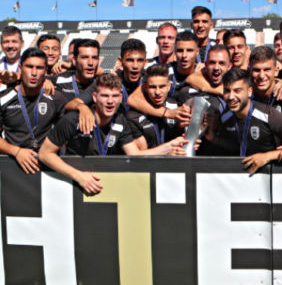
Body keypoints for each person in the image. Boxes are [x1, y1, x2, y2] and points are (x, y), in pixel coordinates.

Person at [39, 73, 188, 194]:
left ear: (121, 98)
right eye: (105, 96)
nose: (110, 101)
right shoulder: (73, 120)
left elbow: (134, 154)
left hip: (102, 185)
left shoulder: (120, 120)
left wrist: (168, 147)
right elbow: (45, 154)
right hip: (74, 185)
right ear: (95, 97)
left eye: (115, 96)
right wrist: (78, 176)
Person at [203, 68, 282, 173]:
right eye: (227, 91)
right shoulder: (225, 117)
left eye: (237, 91)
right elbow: (235, 147)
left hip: (270, 176)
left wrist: (267, 156)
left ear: (249, 91)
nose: (231, 97)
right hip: (241, 175)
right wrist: (214, 138)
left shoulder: (269, 115)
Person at [0, 48, 67, 174]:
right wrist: (17, 151)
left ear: (45, 71)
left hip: (47, 166)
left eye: (39, 68)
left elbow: (66, 133)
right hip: (13, 166)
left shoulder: (56, 98)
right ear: (20, 68)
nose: (34, 73)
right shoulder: (2, 99)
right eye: (29, 67)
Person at [126, 65, 185, 148]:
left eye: (162, 86)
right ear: (145, 87)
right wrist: (168, 151)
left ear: (169, 87)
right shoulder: (133, 116)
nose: (157, 92)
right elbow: (140, 153)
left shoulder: (174, 104)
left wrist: (182, 129)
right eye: (152, 87)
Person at [177, 44, 231, 113]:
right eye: (212, 63)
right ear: (206, 65)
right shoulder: (187, 93)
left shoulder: (237, 92)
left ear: (229, 66)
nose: (216, 68)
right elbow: (190, 78)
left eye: (221, 63)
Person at [0, 25, 24, 90]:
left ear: (22, 44)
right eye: (6, 42)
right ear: (1, 45)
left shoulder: (30, 66)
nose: (10, 46)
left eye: (14, 41)